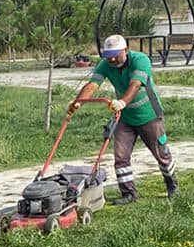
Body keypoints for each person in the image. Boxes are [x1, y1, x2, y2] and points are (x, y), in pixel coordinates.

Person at [68, 33, 178, 201]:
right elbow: (92, 84)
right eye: (108, 57)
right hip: (125, 117)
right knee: (121, 156)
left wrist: (122, 102)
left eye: (115, 56)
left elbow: (135, 84)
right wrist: (78, 102)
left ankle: (172, 185)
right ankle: (128, 194)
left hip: (149, 114)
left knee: (161, 154)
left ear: (125, 50)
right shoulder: (105, 65)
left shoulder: (140, 60)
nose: (111, 60)